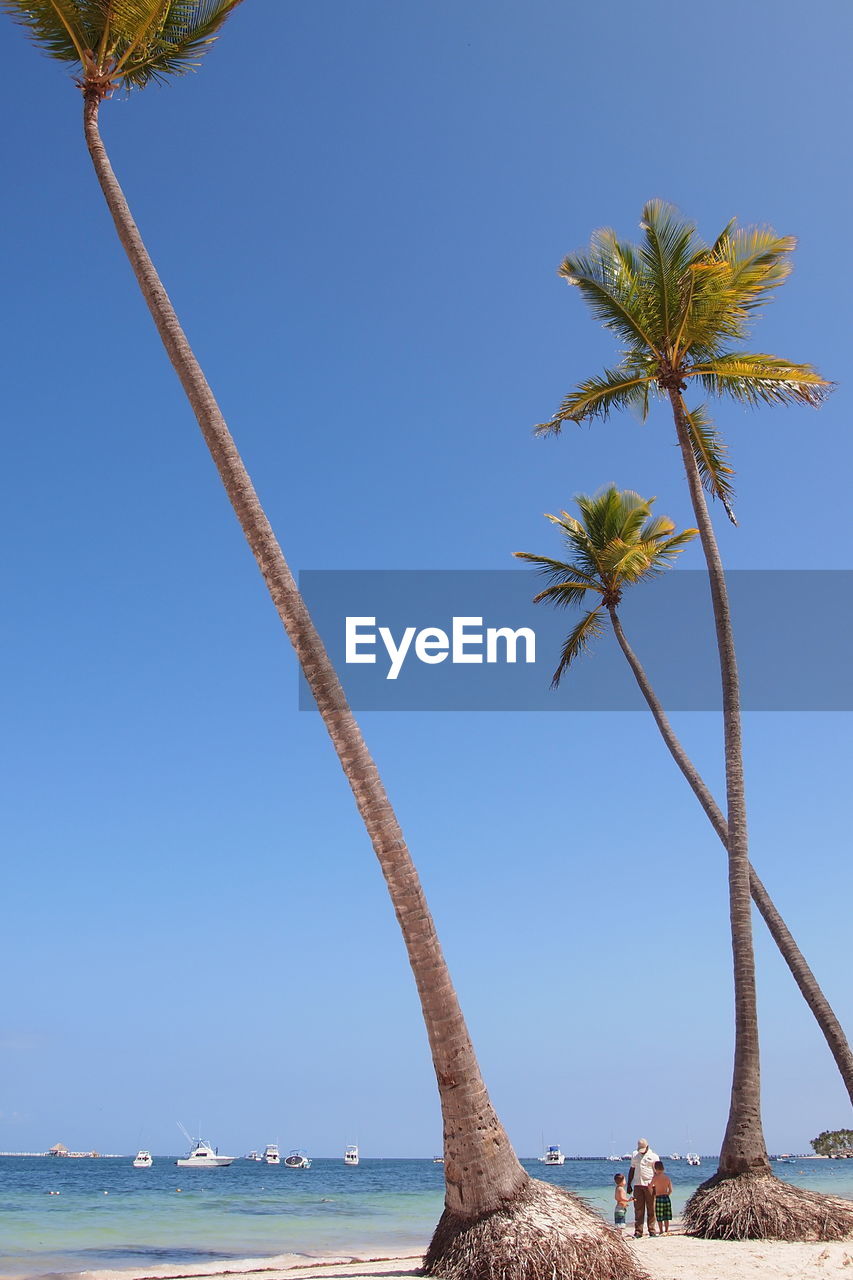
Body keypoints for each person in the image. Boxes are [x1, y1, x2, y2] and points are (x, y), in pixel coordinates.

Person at [626, 1137, 659, 1237]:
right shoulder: (635, 1155)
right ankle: (638, 1231)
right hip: (637, 1185)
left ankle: (652, 1230)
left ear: (647, 1147)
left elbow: (657, 1172)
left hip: (649, 1185)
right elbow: (632, 1170)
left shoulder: (654, 1156)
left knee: (651, 1209)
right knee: (638, 1209)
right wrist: (629, 1184)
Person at [650, 1160, 673, 1235]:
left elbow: (650, 1186)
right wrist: (667, 1195)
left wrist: (652, 1191)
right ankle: (666, 1230)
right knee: (666, 1215)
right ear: (663, 1168)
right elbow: (670, 1190)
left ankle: (661, 1231)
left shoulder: (655, 1178)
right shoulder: (667, 1178)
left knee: (659, 1216)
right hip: (666, 1197)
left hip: (659, 1197)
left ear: (655, 1169)